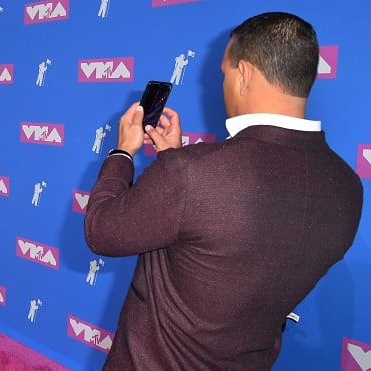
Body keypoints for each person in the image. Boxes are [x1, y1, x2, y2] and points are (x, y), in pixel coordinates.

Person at [84, 12, 363, 370]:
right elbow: (225, 250)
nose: (222, 85)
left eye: (224, 74)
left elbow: (101, 232)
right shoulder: (347, 187)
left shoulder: (192, 173)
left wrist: (122, 153)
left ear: (244, 75)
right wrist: (173, 158)